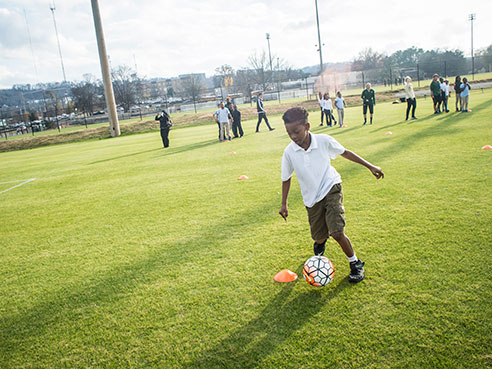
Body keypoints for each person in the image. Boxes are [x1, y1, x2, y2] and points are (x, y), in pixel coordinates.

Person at [278, 107, 384, 283]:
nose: (293, 137)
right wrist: (284, 204)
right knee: (319, 236)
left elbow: (346, 153)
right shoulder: (289, 152)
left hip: (331, 186)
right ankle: (320, 243)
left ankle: (355, 264)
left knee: (336, 231)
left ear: (307, 126)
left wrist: (371, 166)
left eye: (296, 132)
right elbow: (286, 178)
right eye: (289, 133)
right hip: (311, 198)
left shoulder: (323, 141)